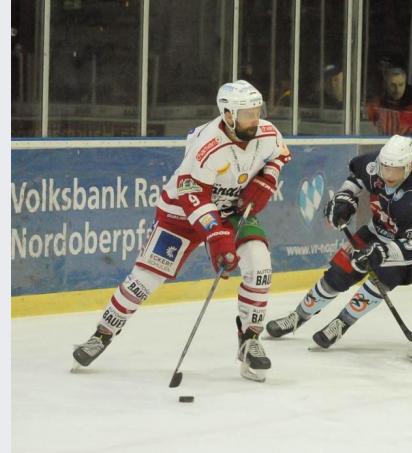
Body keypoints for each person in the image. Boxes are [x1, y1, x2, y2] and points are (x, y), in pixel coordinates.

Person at [72, 80, 291, 383]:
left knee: (260, 263)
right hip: (181, 214)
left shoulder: (267, 132)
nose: (255, 119)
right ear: (228, 114)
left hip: (232, 211)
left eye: (257, 111)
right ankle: (102, 334)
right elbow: (193, 195)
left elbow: (278, 155)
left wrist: (266, 180)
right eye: (247, 114)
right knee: (143, 281)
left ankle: (250, 341)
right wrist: (216, 237)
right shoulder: (208, 145)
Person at [264, 135, 412, 348]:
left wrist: (380, 253)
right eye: (386, 168)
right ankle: (297, 317)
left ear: (409, 167)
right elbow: (356, 178)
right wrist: (345, 198)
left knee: (386, 273)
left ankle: (342, 323)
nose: (389, 175)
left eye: (396, 170)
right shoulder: (377, 164)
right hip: (383, 227)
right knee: (340, 270)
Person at [366, 67, 412, 135]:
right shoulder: (375, 106)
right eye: (393, 85)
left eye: (401, 85)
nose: (397, 90)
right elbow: (368, 131)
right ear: (386, 85)